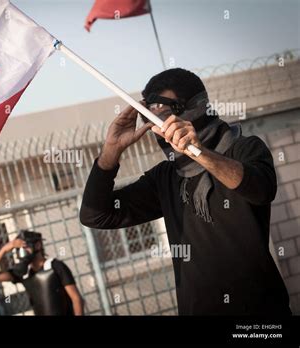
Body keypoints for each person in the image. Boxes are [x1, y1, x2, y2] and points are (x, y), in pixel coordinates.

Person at [79, 68, 291, 315]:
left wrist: (199, 153)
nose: (160, 127)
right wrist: (111, 152)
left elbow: (260, 189)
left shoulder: (243, 149)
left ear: (194, 107)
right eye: (150, 118)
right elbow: (95, 215)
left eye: (165, 113)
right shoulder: (166, 177)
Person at [0, 230, 84, 315]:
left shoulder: (56, 266)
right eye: (19, 249)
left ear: (38, 245)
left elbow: (76, 299)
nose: (23, 251)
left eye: (25, 246)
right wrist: (4, 250)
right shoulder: (23, 273)